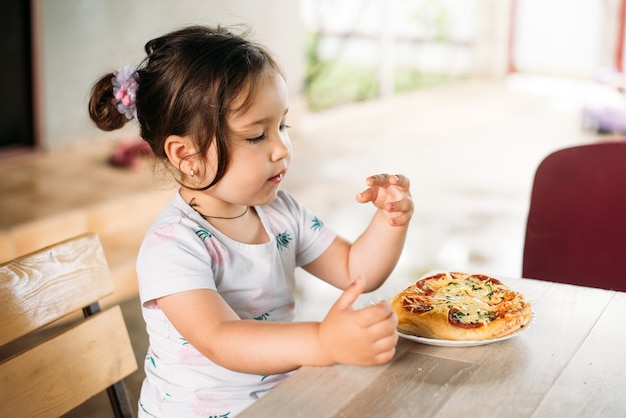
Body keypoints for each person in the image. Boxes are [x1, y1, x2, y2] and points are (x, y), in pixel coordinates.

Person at [88, 24, 413, 417]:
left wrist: (389, 220)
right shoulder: (172, 245)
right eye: (257, 136)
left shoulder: (281, 212)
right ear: (187, 157)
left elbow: (355, 269)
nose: (281, 149)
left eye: (282, 125)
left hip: (280, 403)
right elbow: (221, 339)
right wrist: (323, 342)